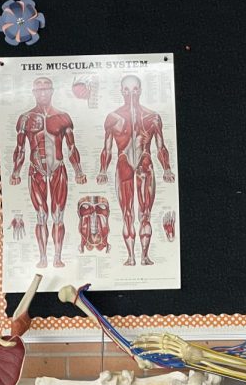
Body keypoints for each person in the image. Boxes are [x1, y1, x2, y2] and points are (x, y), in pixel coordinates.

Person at [97, 75, 174, 266]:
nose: (131, 93)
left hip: (145, 163)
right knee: (127, 213)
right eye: (126, 89)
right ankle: (131, 257)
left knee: (145, 212)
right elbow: (107, 148)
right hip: (123, 163)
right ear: (121, 91)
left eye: (135, 89)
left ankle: (144, 256)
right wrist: (102, 170)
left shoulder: (152, 117)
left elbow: (160, 146)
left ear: (140, 90)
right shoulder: (113, 118)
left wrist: (167, 169)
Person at [10, 77, 86, 268]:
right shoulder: (25, 118)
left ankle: (57, 257)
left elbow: (71, 147)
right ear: (33, 92)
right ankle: (43, 257)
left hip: (58, 169)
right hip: (36, 171)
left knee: (58, 215)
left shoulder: (63, 117)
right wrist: (15, 172)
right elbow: (20, 149)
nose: (42, 92)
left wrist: (78, 171)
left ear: (52, 91)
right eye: (39, 89)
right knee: (41, 215)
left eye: (46, 89)